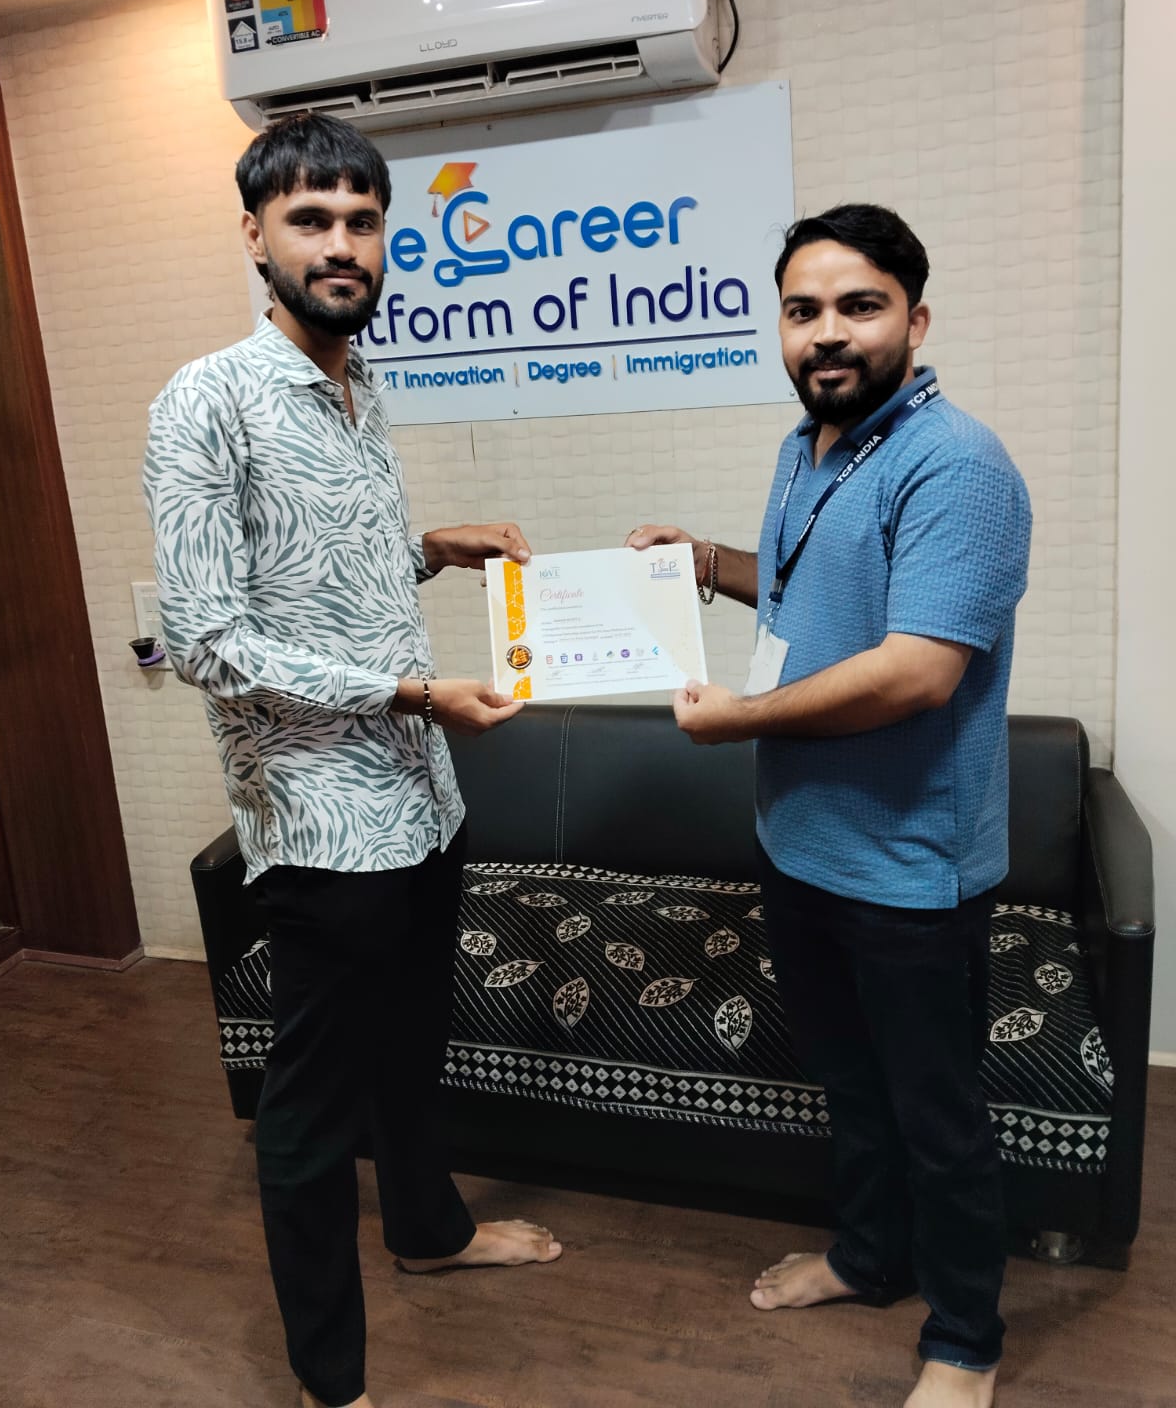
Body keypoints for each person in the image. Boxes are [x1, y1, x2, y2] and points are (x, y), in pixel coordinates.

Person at [144, 113, 562, 1408]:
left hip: (423, 801)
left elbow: (321, 582)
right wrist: (412, 691)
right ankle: (332, 1382)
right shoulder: (206, 400)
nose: (342, 244)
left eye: (363, 220)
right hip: (324, 828)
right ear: (255, 235)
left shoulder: (357, 386)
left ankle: (428, 1231)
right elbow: (208, 640)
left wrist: (432, 548)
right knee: (312, 1113)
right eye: (312, 219)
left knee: (411, 1045)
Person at [629, 203, 1030, 1408]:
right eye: (803, 310)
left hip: (910, 869)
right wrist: (707, 562)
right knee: (851, 1089)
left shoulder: (957, 464)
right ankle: (867, 1258)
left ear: (917, 319)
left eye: (860, 306)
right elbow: (812, 591)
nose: (828, 333)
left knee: (938, 1119)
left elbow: (916, 670)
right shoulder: (808, 445)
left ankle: (966, 1341)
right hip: (801, 843)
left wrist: (740, 718)